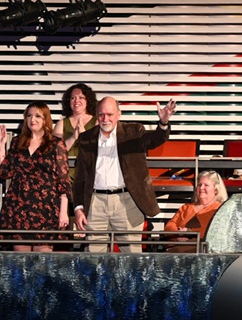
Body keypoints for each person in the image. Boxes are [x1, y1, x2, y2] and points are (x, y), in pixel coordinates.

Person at [72, 96, 178, 252]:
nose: (105, 119)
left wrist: (163, 123)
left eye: (110, 114)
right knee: (94, 259)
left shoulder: (134, 131)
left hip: (127, 201)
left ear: (119, 114)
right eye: (101, 114)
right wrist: (78, 208)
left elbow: (155, 140)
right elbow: (79, 177)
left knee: (132, 258)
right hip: (95, 203)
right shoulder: (86, 138)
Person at [0, 102, 72, 251]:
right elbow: (5, 172)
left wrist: (63, 212)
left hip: (45, 207)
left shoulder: (55, 144)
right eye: (29, 116)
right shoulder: (18, 142)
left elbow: (63, 180)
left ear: (45, 119)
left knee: (42, 262)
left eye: (37, 116)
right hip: (19, 206)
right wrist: (1, 147)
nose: (32, 120)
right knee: (21, 263)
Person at [162, 170, 227, 253]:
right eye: (199, 185)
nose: (201, 188)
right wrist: (179, 233)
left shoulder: (220, 209)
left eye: (206, 185)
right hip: (177, 248)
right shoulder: (186, 207)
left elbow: (217, 233)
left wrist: (189, 232)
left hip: (204, 251)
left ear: (215, 190)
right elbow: (169, 226)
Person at [53, 82, 98, 180]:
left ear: (88, 100)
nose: (76, 101)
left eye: (81, 97)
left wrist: (84, 136)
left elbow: (99, 149)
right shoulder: (61, 123)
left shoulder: (97, 121)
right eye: (73, 98)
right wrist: (73, 137)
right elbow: (55, 151)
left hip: (90, 174)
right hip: (65, 175)